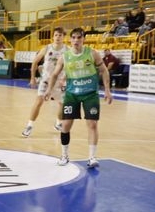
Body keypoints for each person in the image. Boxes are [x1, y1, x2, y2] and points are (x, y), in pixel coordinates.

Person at [44, 27, 113, 168]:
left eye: (79, 37)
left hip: (90, 94)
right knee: (65, 126)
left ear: (83, 39)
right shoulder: (65, 56)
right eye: (73, 38)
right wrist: (49, 90)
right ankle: (64, 155)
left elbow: (104, 71)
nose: (76, 40)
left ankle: (92, 157)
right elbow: (55, 74)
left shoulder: (92, 54)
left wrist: (107, 90)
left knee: (92, 124)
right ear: (70, 40)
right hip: (72, 94)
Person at [22, 27, 66, 137]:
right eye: (56, 35)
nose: (58, 37)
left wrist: (65, 79)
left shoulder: (68, 50)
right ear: (53, 37)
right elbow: (35, 62)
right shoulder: (47, 48)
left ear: (63, 37)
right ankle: (29, 126)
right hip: (46, 80)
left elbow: (71, 67)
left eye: (60, 35)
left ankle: (59, 123)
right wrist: (32, 77)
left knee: (63, 104)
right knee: (38, 102)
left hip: (59, 81)